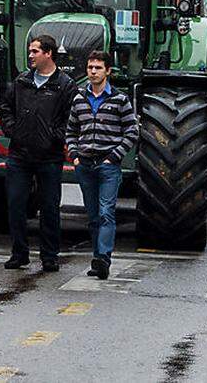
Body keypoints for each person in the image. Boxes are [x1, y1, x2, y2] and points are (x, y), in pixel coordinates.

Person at [0, 35, 76, 272]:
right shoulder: (21, 81)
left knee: (50, 208)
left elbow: (70, 119)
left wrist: (54, 136)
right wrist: (14, 129)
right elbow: (6, 109)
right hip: (19, 155)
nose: (30, 56)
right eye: (30, 51)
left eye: (34, 51)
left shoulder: (65, 85)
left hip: (49, 156)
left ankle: (50, 256)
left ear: (48, 53)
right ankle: (19, 253)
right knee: (16, 205)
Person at [66, 50, 137, 280]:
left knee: (107, 212)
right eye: (90, 68)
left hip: (108, 166)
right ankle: (97, 258)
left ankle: (104, 258)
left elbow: (132, 131)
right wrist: (74, 155)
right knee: (94, 215)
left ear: (108, 71)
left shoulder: (120, 100)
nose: (93, 72)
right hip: (85, 165)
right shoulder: (79, 99)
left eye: (97, 68)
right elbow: (71, 131)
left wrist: (114, 156)